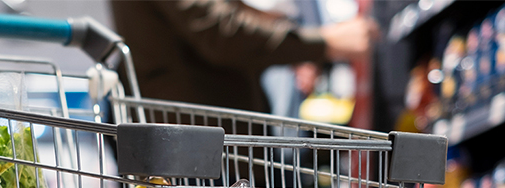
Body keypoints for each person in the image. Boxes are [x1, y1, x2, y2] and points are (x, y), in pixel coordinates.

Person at [110, 0, 377, 113]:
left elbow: (224, 16)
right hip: (191, 140)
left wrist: (289, 37)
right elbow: (218, 31)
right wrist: (322, 42)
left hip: (201, 136)